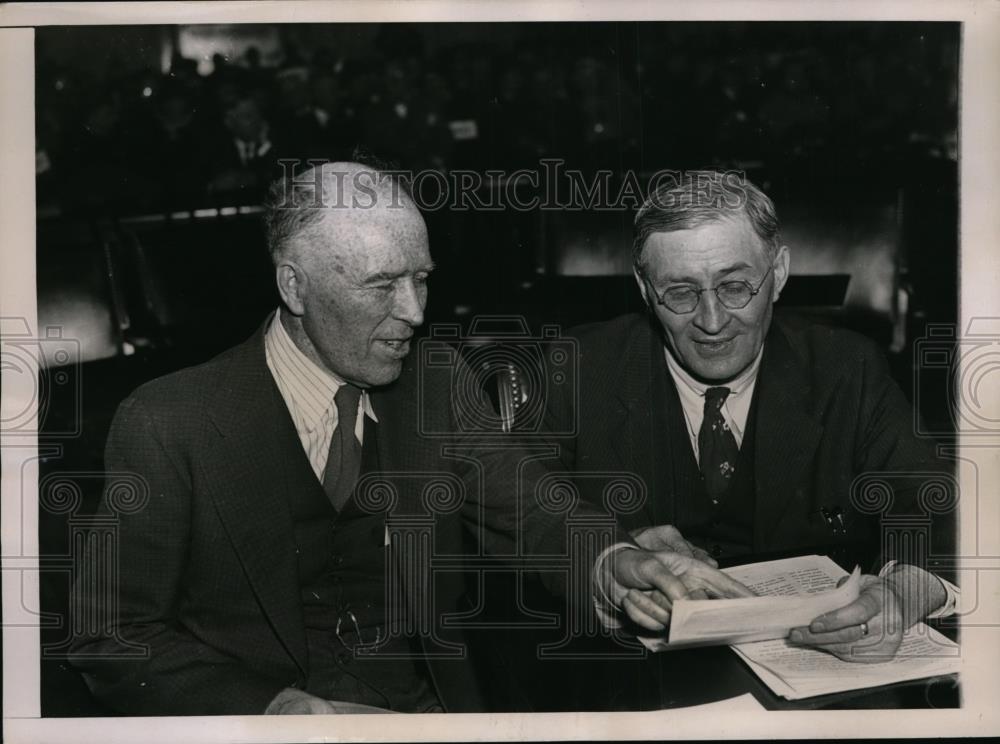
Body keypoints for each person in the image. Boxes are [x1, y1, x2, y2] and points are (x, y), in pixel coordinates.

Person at [66, 159, 751, 716]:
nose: (415, 312)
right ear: (295, 287)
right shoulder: (169, 422)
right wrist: (279, 712)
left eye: (421, 278)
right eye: (382, 284)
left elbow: (533, 508)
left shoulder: (436, 384)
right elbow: (112, 635)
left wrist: (613, 560)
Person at [543, 170, 959, 663]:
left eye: (736, 286)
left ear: (778, 273)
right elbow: (517, 514)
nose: (712, 322)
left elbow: (941, 509)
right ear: (643, 286)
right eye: (679, 292)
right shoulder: (577, 369)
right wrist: (611, 554)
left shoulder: (848, 368)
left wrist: (899, 594)